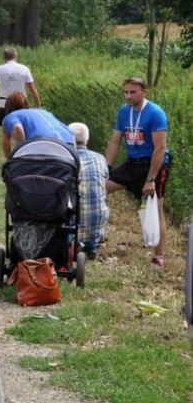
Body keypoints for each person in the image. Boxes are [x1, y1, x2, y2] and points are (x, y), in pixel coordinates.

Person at [105, 76, 172, 268]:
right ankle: (90, 238)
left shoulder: (155, 112)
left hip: (154, 165)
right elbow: (115, 141)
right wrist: (106, 168)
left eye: (133, 92)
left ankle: (158, 257)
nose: (128, 96)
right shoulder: (123, 112)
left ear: (144, 92)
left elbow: (160, 149)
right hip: (132, 164)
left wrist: (151, 179)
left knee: (156, 209)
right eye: (126, 92)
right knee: (98, 189)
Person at [69, 122, 109, 259]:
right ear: (87, 140)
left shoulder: (67, 159)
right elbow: (104, 182)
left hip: (73, 224)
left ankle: (75, 243)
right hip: (98, 224)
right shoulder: (100, 158)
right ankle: (92, 246)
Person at [1, 91, 75, 158]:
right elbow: (71, 133)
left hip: (43, 146)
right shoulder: (44, 112)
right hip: (67, 146)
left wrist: (21, 152)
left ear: (8, 106)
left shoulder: (11, 116)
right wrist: (75, 157)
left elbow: (17, 128)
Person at [0, 47, 41, 126]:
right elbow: (32, 89)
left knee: (6, 130)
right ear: (16, 56)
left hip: (4, 103)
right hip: (21, 103)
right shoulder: (24, 69)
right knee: (22, 129)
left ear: (4, 58)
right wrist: (38, 104)